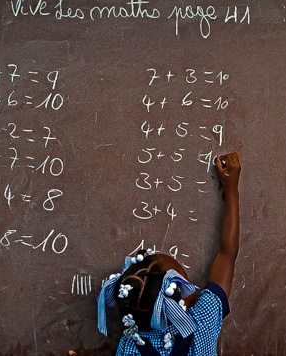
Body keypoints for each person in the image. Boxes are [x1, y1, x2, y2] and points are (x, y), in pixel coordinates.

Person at [97, 152, 241, 355]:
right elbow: (227, 255)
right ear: (183, 299)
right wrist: (232, 189)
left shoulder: (129, 348)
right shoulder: (203, 322)